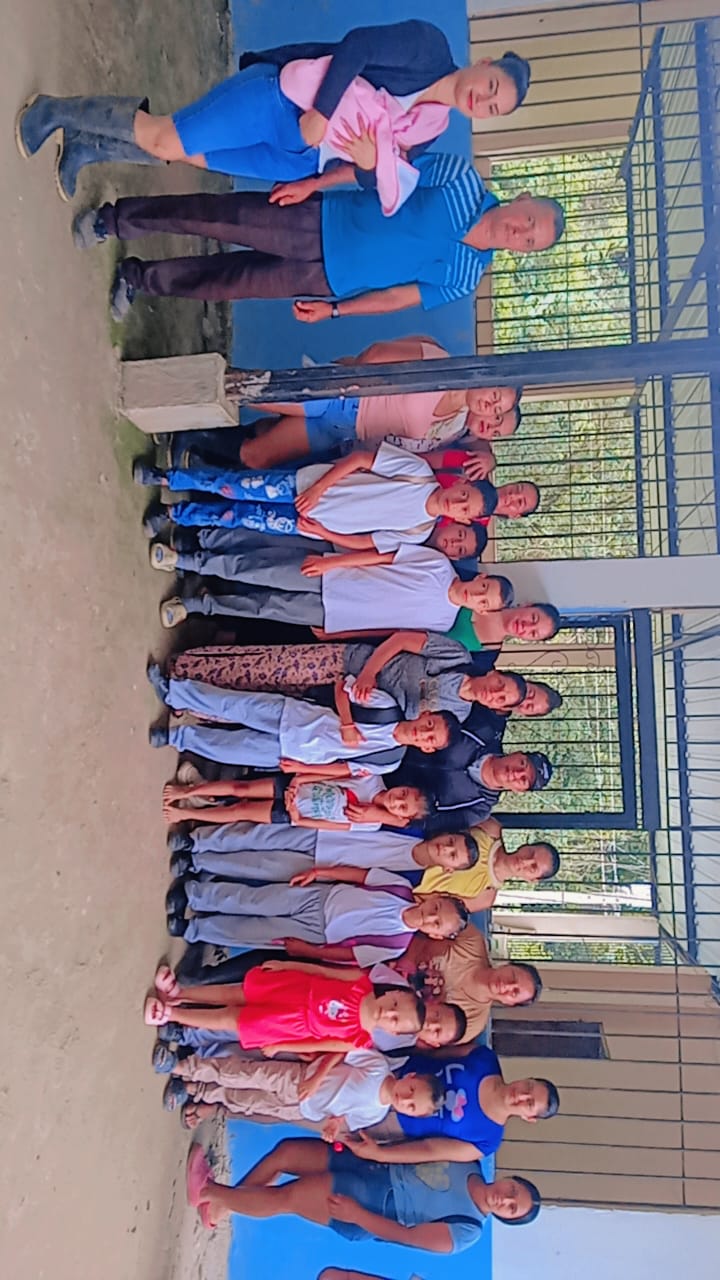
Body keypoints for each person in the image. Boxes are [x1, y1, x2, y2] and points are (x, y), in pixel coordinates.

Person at [16, 22, 531, 198]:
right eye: (491, 86)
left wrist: (368, 165)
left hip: (299, 158)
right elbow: (358, 46)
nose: (482, 100)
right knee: (167, 138)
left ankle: (87, 148)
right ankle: (54, 111)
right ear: (483, 63)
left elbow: (381, 178)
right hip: (285, 99)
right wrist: (322, 113)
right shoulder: (429, 48)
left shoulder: (434, 126)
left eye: (493, 107)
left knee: (188, 154)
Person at [71, 150, 564, 319]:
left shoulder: (467, 276)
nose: (520, 232)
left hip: (328, 279)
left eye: (530, 240)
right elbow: (379, 170)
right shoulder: (460, 179)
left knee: (227, 283)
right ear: (522, 199)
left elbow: (396, 297)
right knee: (214, 216)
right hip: (319, 218)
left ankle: (139, 279)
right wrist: (315, 183)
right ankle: (114, 220)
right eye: (529, 220)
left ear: (524, 252)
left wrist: (337, 309)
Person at [184, 1135, 541, 1243]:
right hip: (370, 1165)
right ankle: (218, 1208)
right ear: (508, 1179)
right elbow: (423, 1147)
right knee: (286, 1153)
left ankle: (208, 1192)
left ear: (505, 1217)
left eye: (511, 1207)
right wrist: (375, 1149)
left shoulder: (469, 1230)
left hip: (372, 1206)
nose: (505, 1198)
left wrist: (358, 1215)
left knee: (287, 1198)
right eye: (513, 1191)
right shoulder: (469, 1160)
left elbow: (407, 1235)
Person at [133, 441, 496, 544]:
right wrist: (320, 488)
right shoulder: (418, 473)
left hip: (310, 523)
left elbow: (368, 543)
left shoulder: (419, 531)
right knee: (234, 484)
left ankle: (173, 515)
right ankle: (167, 478)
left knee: (238, 517)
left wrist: (324, 533)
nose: (458, 504)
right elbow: (360, 459)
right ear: (460, 483)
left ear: (462, 520)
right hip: (307, 485)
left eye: (465, 510)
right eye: (464, 496)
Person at [155, 540, 515, 633]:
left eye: (484, 603)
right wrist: (332, 562)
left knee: (263, 607)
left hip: (338, 616)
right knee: (259, 570)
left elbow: (390, 631)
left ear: (482, 612)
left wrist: (341, 634)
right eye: (484, 590)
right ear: (480, 578)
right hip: (334, 576)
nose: (478, 597)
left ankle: (196, 606)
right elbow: (381, 557)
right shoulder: (438, 564)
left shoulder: (443, 622)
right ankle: (186, 560)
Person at [146, 665, 457, 771]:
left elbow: (345, 770)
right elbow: (342, 688)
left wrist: (303, 770)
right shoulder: (387, 706)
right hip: (296, 715)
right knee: (234, 704)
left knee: (231, 748)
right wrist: (347, 723)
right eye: (429, 726)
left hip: (301, 752)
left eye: (429, 739)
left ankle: (176, 738)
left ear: (427, 749)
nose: (423, 733)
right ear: (425, 714)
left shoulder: (390, 761)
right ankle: (175, 692)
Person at [163, 858, 469, 960]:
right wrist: (320, 872)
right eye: (436, 908)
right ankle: (195, 895)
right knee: (255, 899)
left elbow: (349, 955)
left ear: (435, 935)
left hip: (317, 932)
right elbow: (359, 875)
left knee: (254, 930)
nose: (430, 916)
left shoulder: (396, 945)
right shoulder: (399, 887)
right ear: (434, 897)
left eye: (436, 923)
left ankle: (194, 929)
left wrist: (308, 950)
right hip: (319, 897)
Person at [144, 959, 426, 1057]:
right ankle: (180, 993)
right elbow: (321, 971)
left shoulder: (358, 1040)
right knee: (235, 992)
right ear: (393, 992)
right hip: (293, 987)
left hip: (287, 1024)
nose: (389, 1013)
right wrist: (287, 965)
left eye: (395, 1020)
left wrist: (281, 1046)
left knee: (231, 1019)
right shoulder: (360, 982)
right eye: (395, 1005)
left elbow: (316, 1044)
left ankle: (172, 1014)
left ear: (392, 1032)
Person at [160, 1045, 446, 1135]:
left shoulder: (376, 1114)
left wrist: (334, 1124)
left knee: (244, 1100)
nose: (404, 1098)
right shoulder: (378, 1067)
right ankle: (186, 1067)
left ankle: (195, 1089)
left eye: (410, 1106)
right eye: (411, 1090)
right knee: (247, 1073)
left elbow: (344, 1117)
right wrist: (316, 1079)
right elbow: (342, 1051)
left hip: (299, 1109)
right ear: (410, 1076)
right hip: (297, 1080)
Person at [347, 1045, 559, 1161]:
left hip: (391, 1121)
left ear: (529, 1117)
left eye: (528, 1103)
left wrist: (380, 1154)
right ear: (526, 1079)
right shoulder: (485, 1058)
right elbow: (433, 1052)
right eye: (528, 1087)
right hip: (392, 1072)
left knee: (331, 1117)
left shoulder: (487, 1140)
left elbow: (430, 1150)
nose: (521, 1095)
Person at [161, 774, 433, 831]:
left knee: (239, 810)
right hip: (296, 787)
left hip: (293, 812)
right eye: (403, 794)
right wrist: (298, 781)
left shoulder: (371, 825)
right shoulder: (372, 778)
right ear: (404, 785)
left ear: (401, 817)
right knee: (240, 788)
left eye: (402, 807)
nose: (397, 800)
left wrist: (297, 817)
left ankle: (187, 815)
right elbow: (332, 773)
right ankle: (186, 791)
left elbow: (329, 826)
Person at [417, 746, 554, 835]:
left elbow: (430, 824)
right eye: (522, 763)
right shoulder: (482, 737)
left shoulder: (479, 810)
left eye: (523, 780)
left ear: (518, 790)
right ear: (517, 753)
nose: (516, 773)